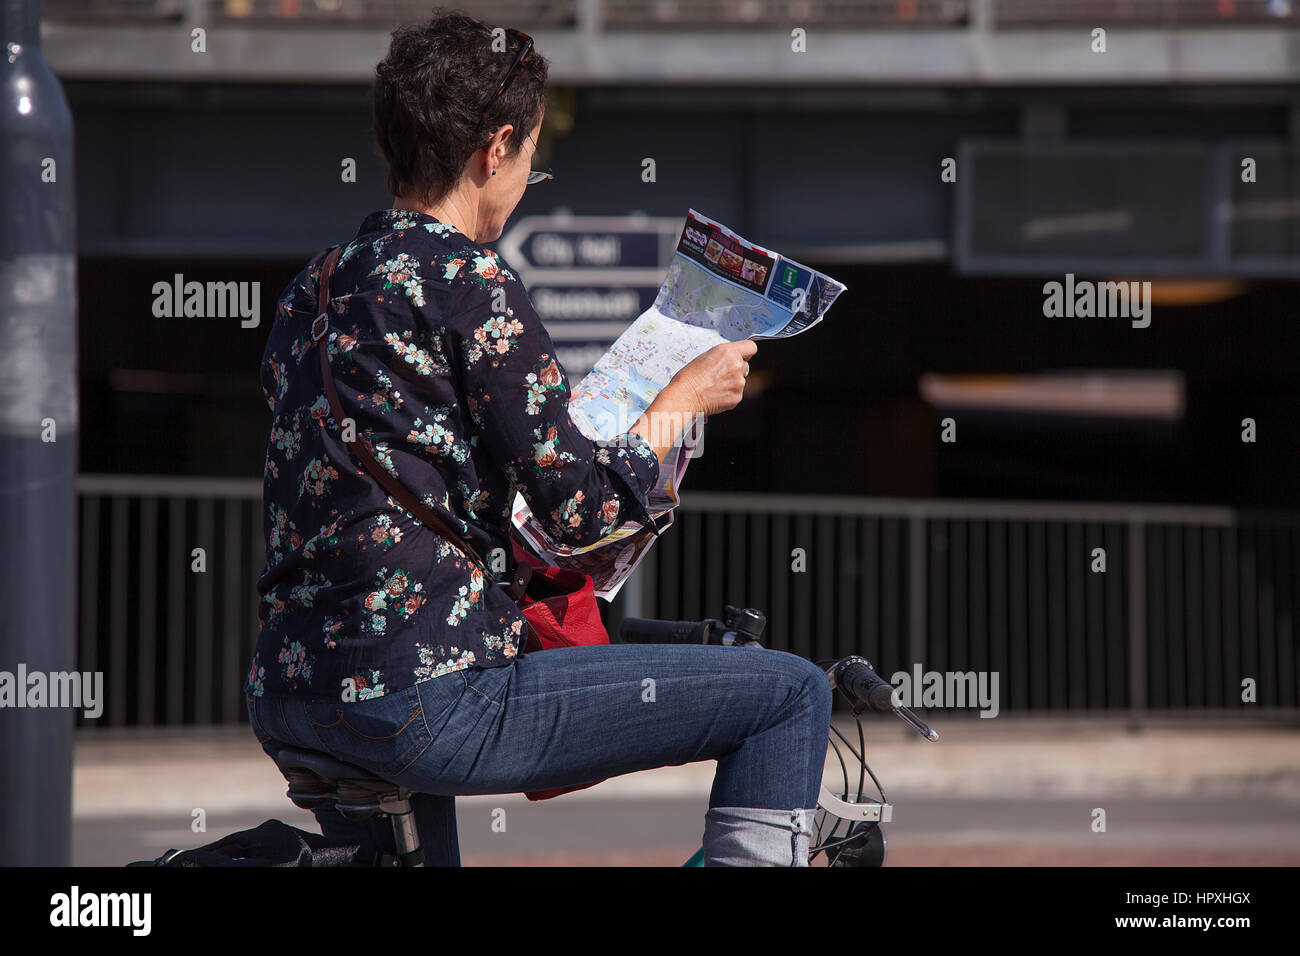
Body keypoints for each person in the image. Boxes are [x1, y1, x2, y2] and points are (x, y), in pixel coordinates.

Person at [243, 11, 832, 866]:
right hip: (426, 693)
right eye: (529, 163)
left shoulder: (317, 284)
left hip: (294, 688)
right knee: (788, 693)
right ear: (497, 146)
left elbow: (375, 480)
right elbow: (582, 513)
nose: (525, 180)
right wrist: (679, 401)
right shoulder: (469, 280)